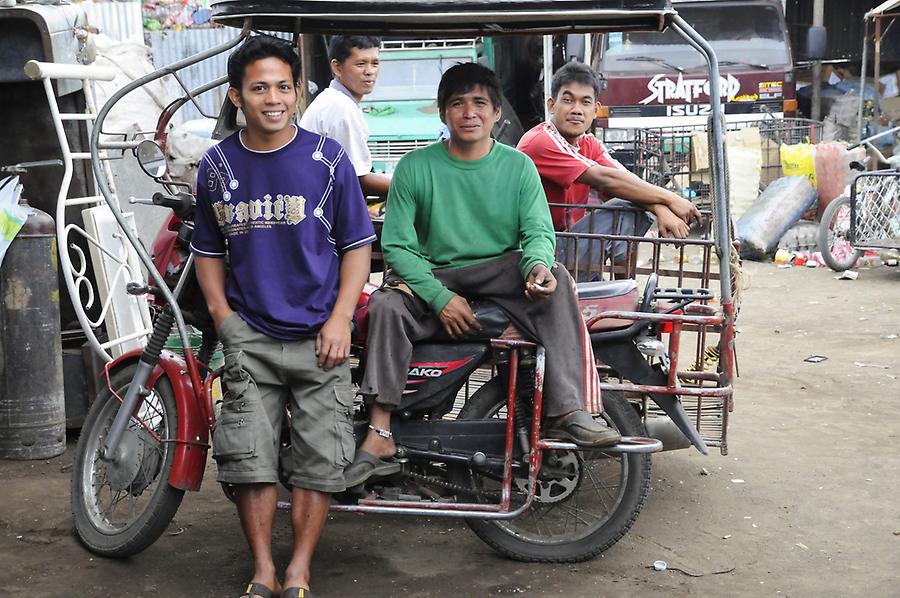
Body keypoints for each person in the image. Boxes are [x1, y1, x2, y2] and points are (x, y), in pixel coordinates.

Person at [344, 62, 620, 488]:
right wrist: (439, 297)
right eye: (457, 104)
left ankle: (569, 409)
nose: (468, 112)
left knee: (559, 280)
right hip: (434, 275)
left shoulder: (518, 167)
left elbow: (537, 233)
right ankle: (379, 434)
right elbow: (398, 246)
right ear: (443, 113)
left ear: (496, 115)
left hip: (499, 273)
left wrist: (538, 267)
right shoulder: (415, 168)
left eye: (479, 103)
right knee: (384, 304)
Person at [190, 36, 375, 598]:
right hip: (251, 336)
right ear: (236, 96)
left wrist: (341, 318)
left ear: (298, 91)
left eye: (282, 86)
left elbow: (357, 246)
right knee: (249, 460)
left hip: (323, 337)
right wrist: (225, 321)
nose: (272, 98)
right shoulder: (217, 165)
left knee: (321, 461)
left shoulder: (327, 159)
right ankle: (263, 570)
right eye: (258, 88)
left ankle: (298, 569)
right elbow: (209, 253)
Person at [517, 62, 700, 275]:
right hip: (540, 253)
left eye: (585, 102)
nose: (576, 110)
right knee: (624, 210)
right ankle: (622, 290)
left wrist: (659, 208)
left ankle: (622, 289)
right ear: (551, 105)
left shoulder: (588, 144)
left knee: (628, 203)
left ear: (595, 110)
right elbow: (605, 179)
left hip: (568, 244)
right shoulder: (541, 141)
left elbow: (623, 179)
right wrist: (671, 199)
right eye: (567, 101)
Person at [300, 35, 392, 198]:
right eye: (360, 64)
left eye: (375, 63)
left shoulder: (335, 100)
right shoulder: (340, 107)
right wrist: (412, 188)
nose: (369, 71)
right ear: (337, 67)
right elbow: (357, 179)